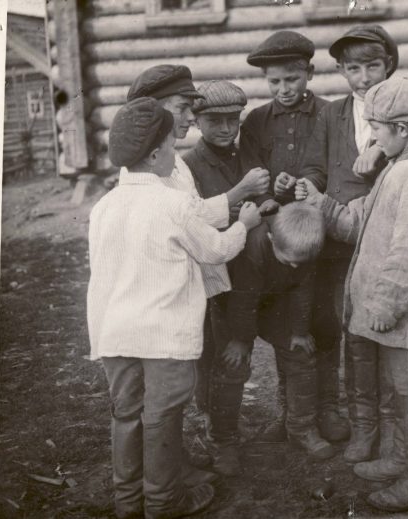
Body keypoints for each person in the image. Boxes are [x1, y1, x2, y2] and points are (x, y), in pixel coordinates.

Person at [277, 24, 408, 463]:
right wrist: (309, 190)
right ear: (342, 71)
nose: (365, 76)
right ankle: (361, 426)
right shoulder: (331, 114)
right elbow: (317, 167)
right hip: (341, 238)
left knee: (385, 330)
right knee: (349, 327)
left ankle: (387, 429)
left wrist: (378, 150)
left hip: (388, 232)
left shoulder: (405, 107)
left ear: (389, 64)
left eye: (373, 66)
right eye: (354, 69)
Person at [87, 97, 262, 519]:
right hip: (162, 336)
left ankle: (128, 501)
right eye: (169, 146)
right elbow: (216, 250)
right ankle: (164, 502)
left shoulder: (103, 207)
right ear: (154, 154)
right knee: (162, 417)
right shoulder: (172, 203)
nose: (174, 154)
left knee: (126, 415)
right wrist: (245, 224)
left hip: (115, 334)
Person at [295, 77, 408, 512]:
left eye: (378, 128)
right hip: (397, 316)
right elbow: (359, 226)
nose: (373, 136)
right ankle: (404, 459)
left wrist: (385, 303)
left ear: (402, 130)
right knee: (401, 390)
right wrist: (324, 205)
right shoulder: (398, 167)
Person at [127, 65, 270, 476]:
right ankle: (169, 466)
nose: (190, 118)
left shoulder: (179, 162)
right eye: (185, 109)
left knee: (219, 360)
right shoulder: (168, 161)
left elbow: (193, 215)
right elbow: (187, 223)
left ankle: (214, 439)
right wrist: (242, 213)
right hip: (183, 281)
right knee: (186, 369)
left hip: (211, 279)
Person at [239, 31, 350, 443]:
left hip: (322, 239)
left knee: (324, 321)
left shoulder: (330, 114)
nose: (284, 89)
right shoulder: (255, 121)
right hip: (279, 246)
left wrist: (306, 182)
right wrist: (270, 193)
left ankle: (328, 407)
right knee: (287, 324)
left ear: (310, 72)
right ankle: (291, 409)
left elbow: (330, 166)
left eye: (292, 79)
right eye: (274, 82)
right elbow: (251, 174)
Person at [181, 80, 272, 476]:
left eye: (232, 120)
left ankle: (220, 427)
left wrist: (271, 200)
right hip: (211, 274)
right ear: (197, 121)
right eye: (213, 121)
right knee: (216, 357)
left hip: (248, 269)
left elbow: (264, 202)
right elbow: (196, 217)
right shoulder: (187, 165)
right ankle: (221, 437)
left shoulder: (247, 151)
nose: (224, 128)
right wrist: (243, 195)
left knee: (235, 354)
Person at [222, 202, 336, 460]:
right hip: (244, 301)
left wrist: (299, 330)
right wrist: (241, 339)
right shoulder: (256, 247)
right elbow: (244, 299)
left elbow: (303, 290)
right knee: (233, 361)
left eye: (301, 263)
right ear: (272, 239)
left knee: (299, 355)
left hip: (279, 300)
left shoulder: (302, 250)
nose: (295, 267)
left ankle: (298, 426)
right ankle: (224, 436)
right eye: (289, 261)